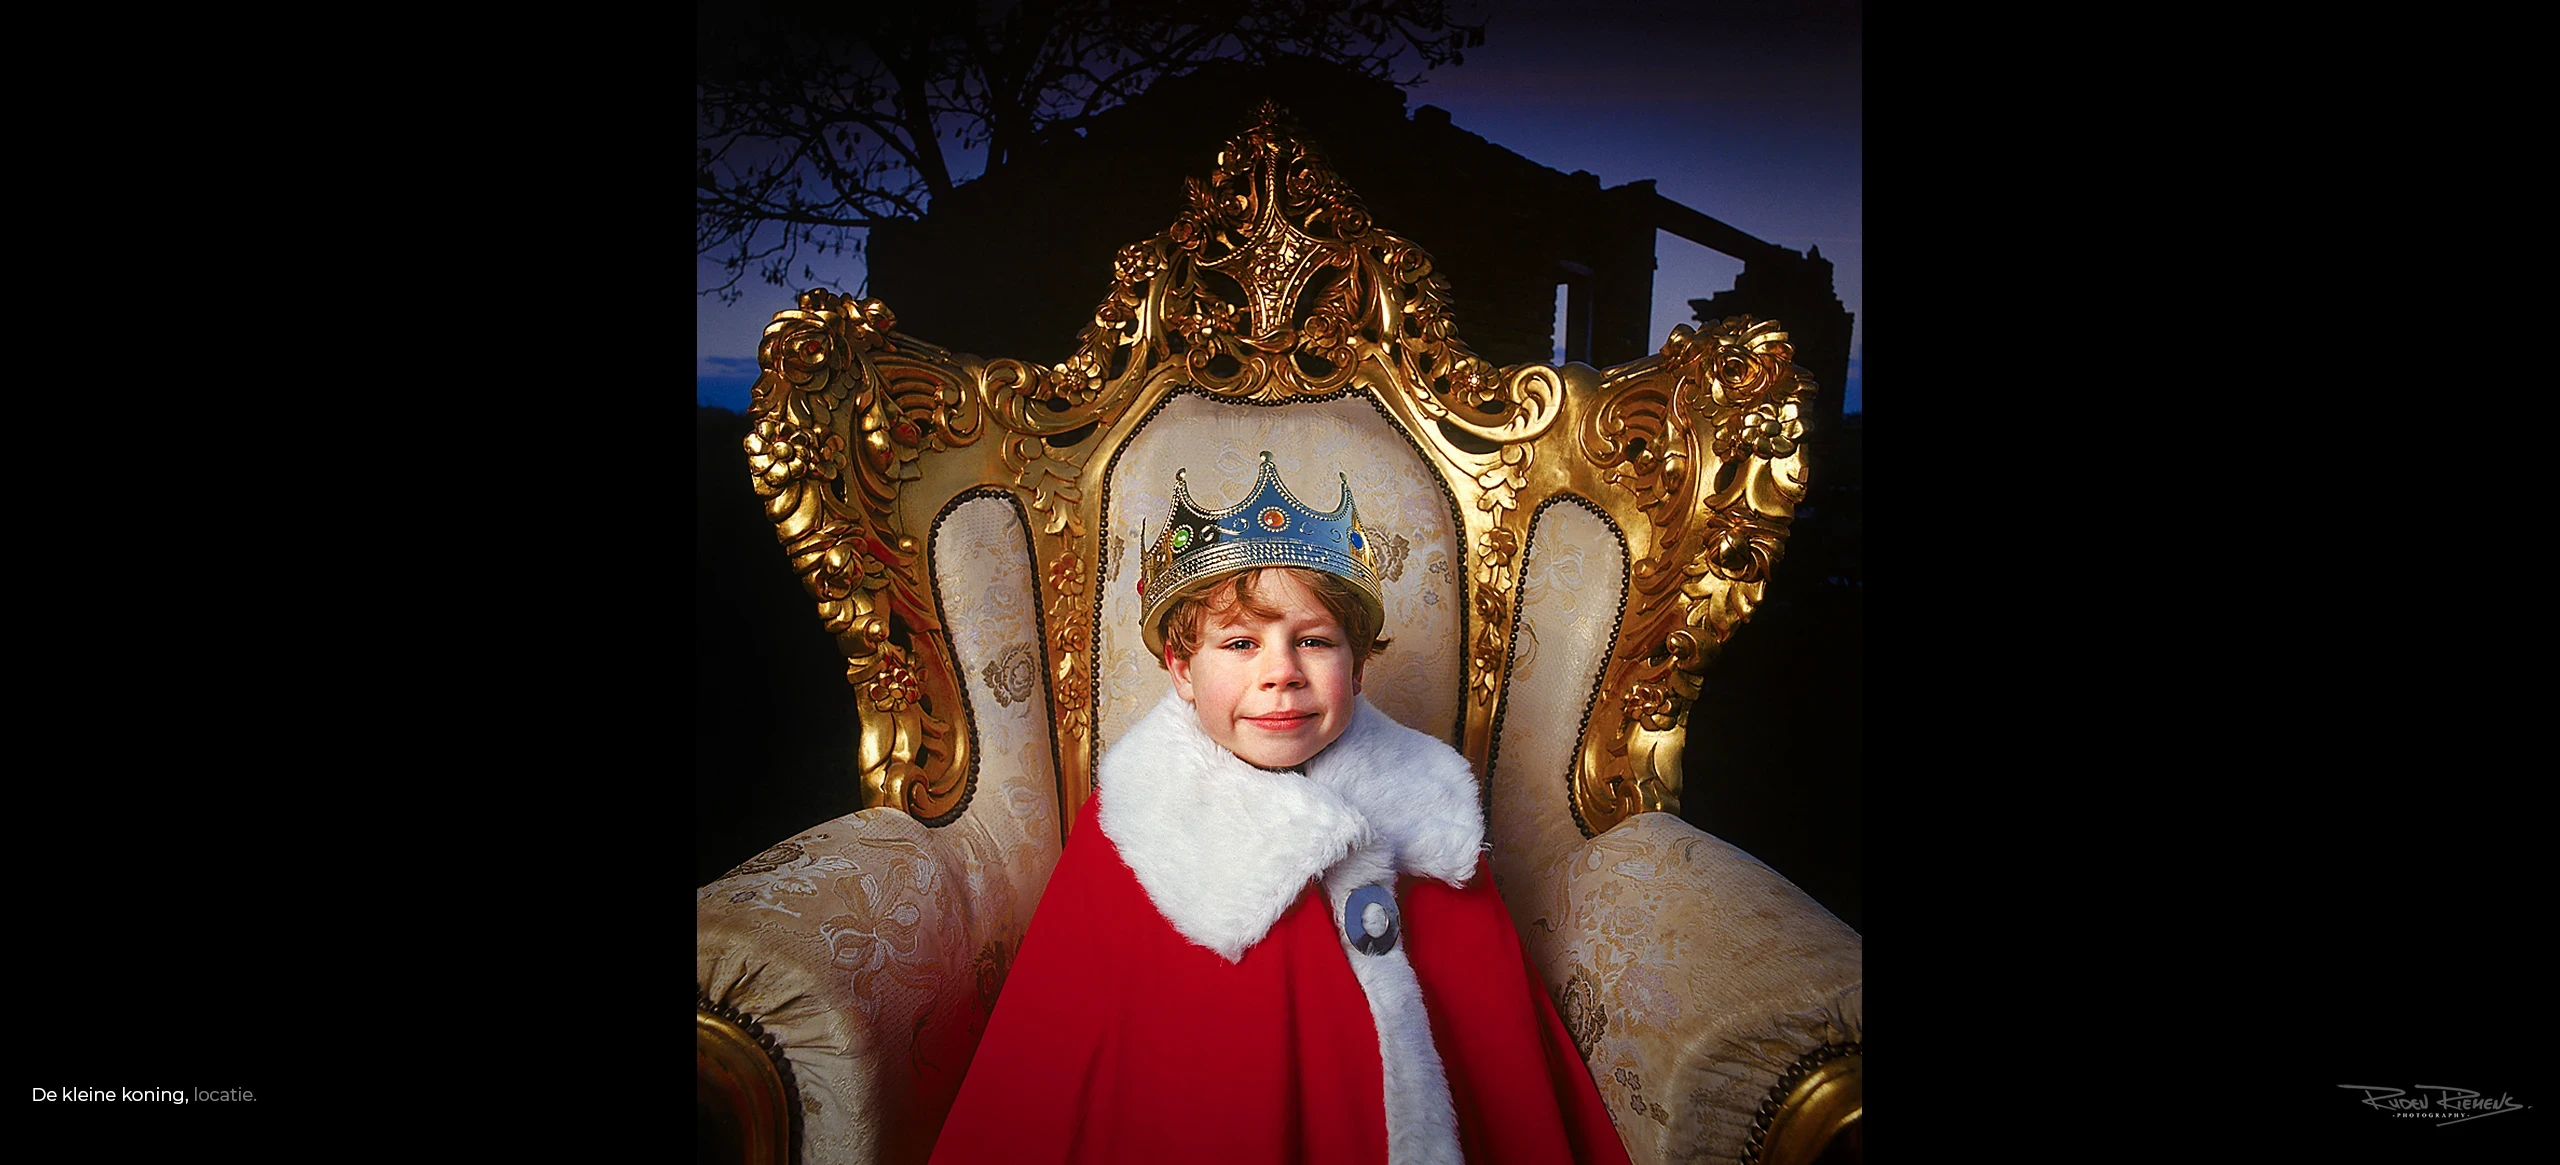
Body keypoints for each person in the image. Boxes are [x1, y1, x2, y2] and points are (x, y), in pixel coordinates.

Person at [929, 452, 1630, 1165]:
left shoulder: (1429, 816)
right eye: (1239, 643)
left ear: (1357, 669)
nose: (1281, 673)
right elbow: (1057, 1068)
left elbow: (1504, 1063)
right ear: (1181, 667)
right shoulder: (1138, 824)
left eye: (1315, 641)